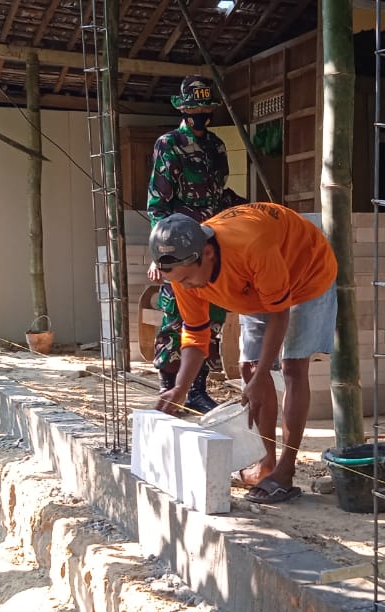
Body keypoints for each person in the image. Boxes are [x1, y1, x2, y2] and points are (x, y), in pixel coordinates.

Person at [151, 203, 337, 504]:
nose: (184, 287)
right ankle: (265, 463)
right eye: (177, 281)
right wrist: (181, 388)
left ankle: (285, 471)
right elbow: (196, 333)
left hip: (306, 272)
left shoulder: (251, 247)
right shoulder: (184, 273)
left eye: (186, 280)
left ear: (207, 254)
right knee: (249, 369)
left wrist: (265, 372)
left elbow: (279, 314)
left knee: (291, 367)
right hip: (255, 286)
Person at [147, 75, 247, 413]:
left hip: (212, 248)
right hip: (178, 247)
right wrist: (162, 256)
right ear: (183, 108)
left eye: (206, 107)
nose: (200, 113)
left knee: (211, 318)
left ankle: (197, 391)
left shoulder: (217, 146)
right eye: (195, 107)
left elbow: (221, 195)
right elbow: (158, 205)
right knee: (176, 320)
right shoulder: (169, 144)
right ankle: (169, 389)